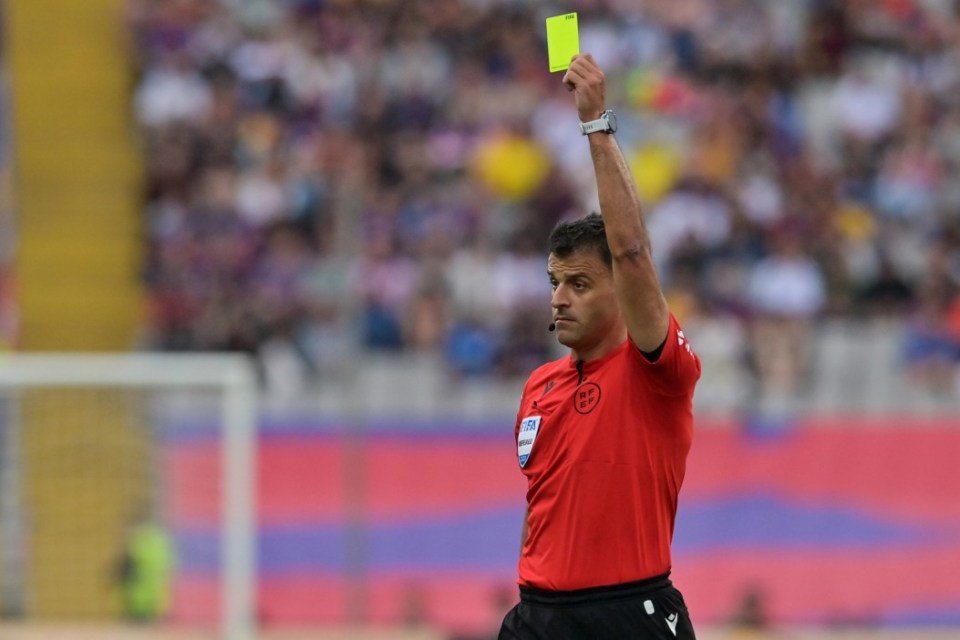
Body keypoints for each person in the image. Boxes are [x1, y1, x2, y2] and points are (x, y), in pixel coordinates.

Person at [498, 54, 701, 640]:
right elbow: (542, 508)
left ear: (623, 291)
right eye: (554, 283)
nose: (559, 298)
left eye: (580, 283)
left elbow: (633, 249)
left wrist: (595, 126)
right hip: (536, 617)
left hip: (627, 614)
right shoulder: (539, 386)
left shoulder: (656, 371)